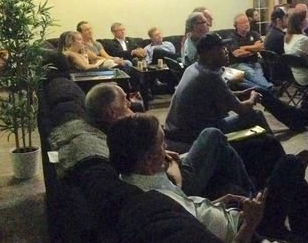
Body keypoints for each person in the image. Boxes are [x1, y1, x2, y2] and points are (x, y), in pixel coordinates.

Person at [107, 114, 308, 243]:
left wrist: (218, 201)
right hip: (251, 235)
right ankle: (293, 215)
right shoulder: (159, 207)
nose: (167, 149)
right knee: (289, 167)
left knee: (287, 178)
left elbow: (189, 205)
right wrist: (251, 222)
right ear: (148, 159)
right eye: (162, 144)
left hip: (232, 213)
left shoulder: (138, 180)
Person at [86, 82, 256, 199]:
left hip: (166, 168)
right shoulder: (123, 134)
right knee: (212, 134)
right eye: (125, 101)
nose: (130, 104)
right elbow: (172, 183)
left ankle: (244, 189)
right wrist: (171, 163)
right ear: (111, 113)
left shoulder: (113, 136)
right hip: (177, 180)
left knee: (221, 147)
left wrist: (164, 154)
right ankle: (250, 193)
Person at [166, 33, 308, 142]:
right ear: (210, 53)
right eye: (222, 49)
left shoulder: (193, 68)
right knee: (254, 114)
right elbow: (241, 109)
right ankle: (274, 150)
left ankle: (297, 119)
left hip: (177, 128)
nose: (226, 52)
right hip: (193, 132)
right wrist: (251, 98)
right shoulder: (210, 77)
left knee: (258, 90)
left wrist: (243, 93)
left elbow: (218, 97)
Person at [227, 13, 271, 90]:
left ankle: (264, 91)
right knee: (251, 73)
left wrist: (244, 48)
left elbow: (261, 47)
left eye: (247, 21)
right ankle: (269, 87)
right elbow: (238, 53)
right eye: (243, 23)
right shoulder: (232, 37)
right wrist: (254, 49)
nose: (247, 24)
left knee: (259, 76)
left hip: (254, 62)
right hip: (238, 64)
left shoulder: (254, 34)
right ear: (236, 25)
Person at [284, 7, 308, 86]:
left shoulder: (288, 38)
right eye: (306, 17)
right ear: (301, 22)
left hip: (298, 76)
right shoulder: (304, 40)